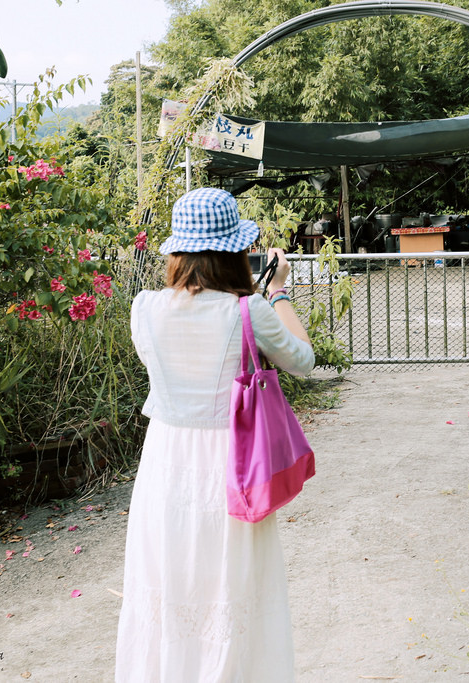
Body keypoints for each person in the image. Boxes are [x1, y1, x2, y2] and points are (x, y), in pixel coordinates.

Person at [115, 187, 314, 682]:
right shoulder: (247, 310)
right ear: (234, 250)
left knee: (169, 578)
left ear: (178, 251)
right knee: (231, 580)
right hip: (233, 462)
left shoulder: (145, 308)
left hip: (165, 461)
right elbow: (303, 361)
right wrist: (278, 292)